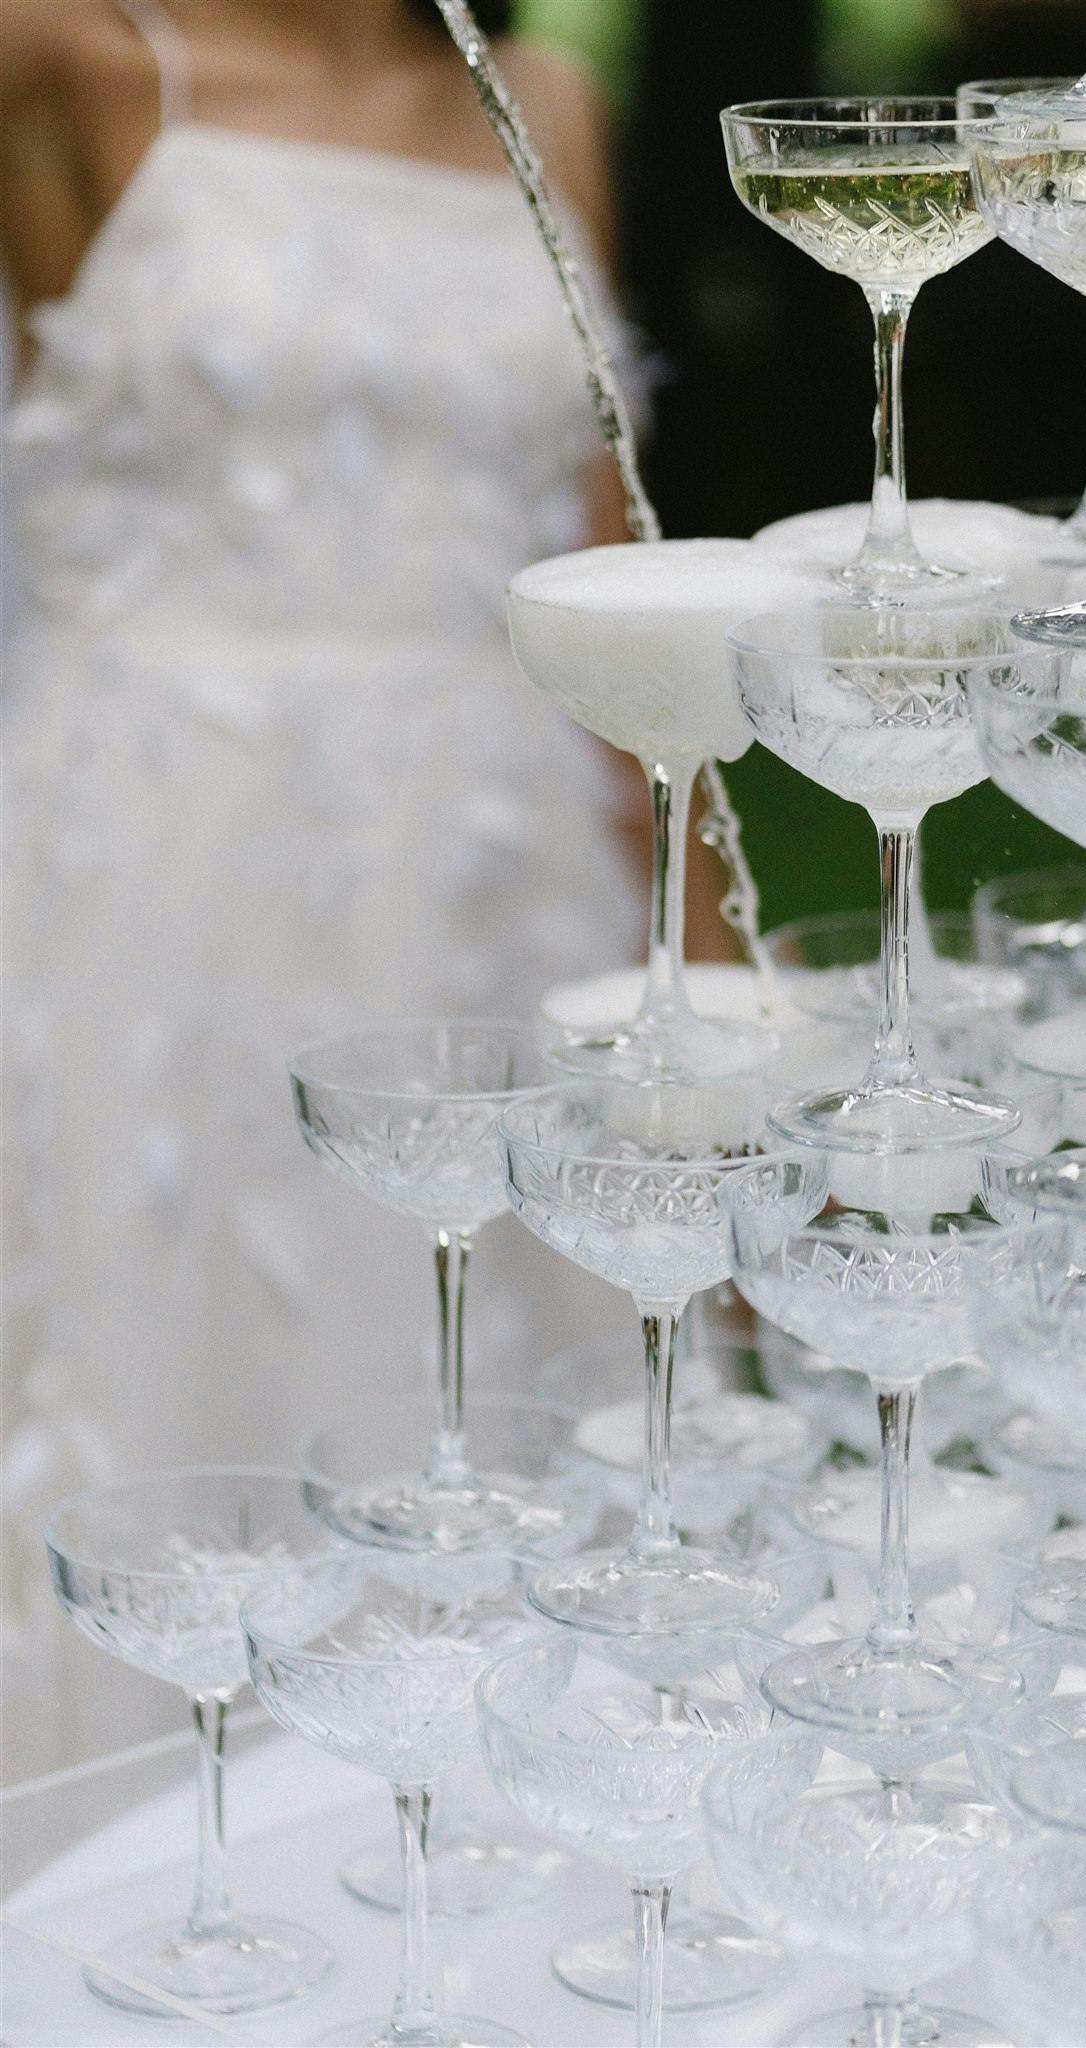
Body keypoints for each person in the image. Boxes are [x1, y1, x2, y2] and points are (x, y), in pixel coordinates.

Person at [0, 0, 646, 1774]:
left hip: (500, 851)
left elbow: (599, 541)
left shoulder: (550, 102)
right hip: (166, 851)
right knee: (171, 1354)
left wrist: (679, 907)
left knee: (488, 1378)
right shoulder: (67, 58)